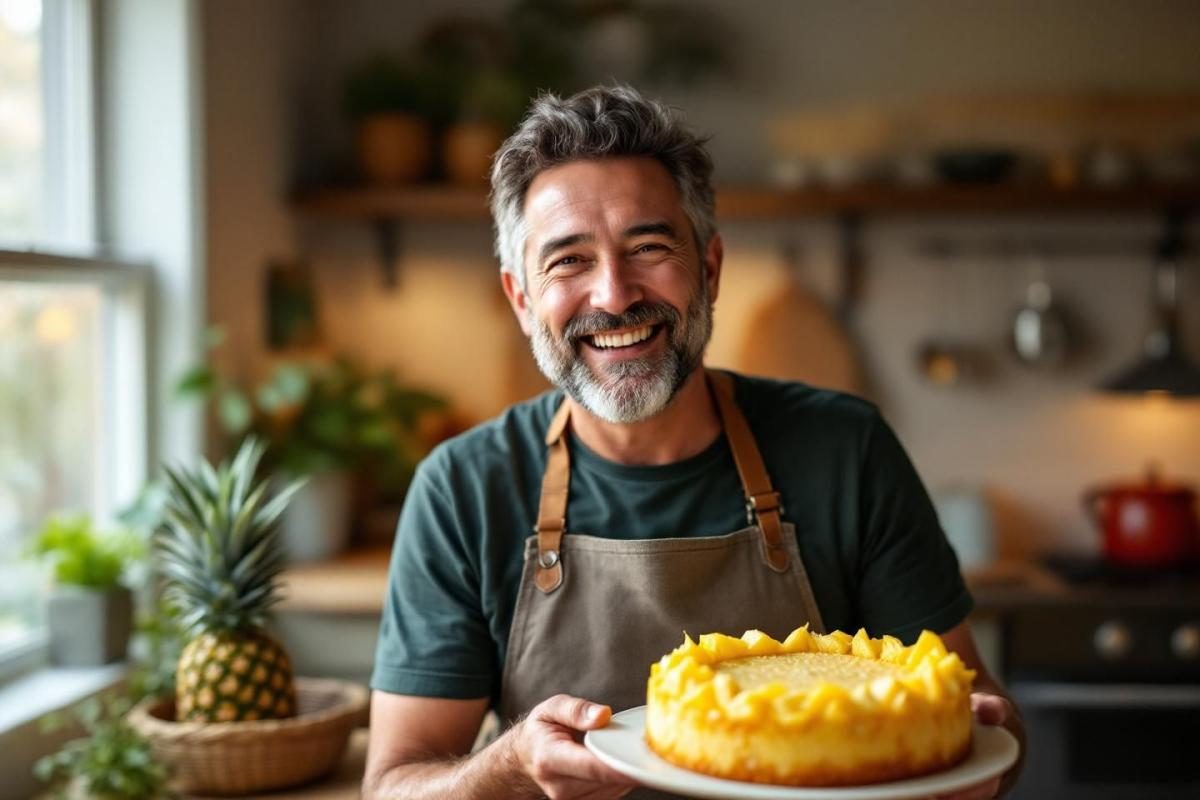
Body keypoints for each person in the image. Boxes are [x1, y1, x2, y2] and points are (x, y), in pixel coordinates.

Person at [363, 85, 1024, 800]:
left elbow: (990, 729)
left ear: (708, 270)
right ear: (522, 298)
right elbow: (394, 784)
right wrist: (512, 765)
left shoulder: (846, 449)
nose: (614, 296)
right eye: (568, 261)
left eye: (648, 247)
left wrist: (967, 758)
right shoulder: (464, 487)